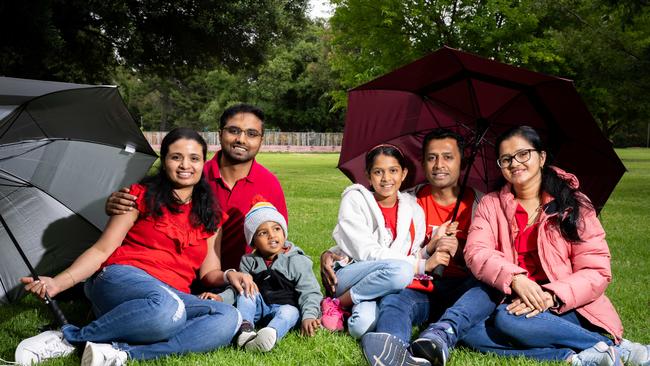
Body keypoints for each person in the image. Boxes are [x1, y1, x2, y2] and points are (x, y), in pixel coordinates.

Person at [407, 126, 650, 366]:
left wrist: (551, 295)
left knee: (508, 320)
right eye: (506, 159)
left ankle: (616, 347)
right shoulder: (491, 204)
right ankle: (574, 356)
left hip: (566, 306)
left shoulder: (574, 205)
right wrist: (515, 279)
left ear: (541, 157)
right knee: (471, 333)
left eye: (523, 154)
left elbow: (596, 271)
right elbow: (477, 252)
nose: (515, 163)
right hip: (512, 296)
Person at [14, 128, 250, 366]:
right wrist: (58, 283)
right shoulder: (138, 196)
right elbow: (101, 250)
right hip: (122, 278)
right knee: (168, 310)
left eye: (194, 158)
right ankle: (69, 337)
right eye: (176, 157)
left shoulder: (211, 215)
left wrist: (230, 275)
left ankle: (120, 353)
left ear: (203, 163)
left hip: (173, 296)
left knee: (228, 317)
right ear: (165, 160)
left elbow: (209, 273)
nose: (184, 165)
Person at [355, 129, 484, 365]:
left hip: (465, 290)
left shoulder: (481, 204)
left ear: (462, 162)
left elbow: (492, 258)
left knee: (485, 290)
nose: (439, 165)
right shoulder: (408, 202)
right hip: (423, 285)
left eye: (448, 157)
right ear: (423, 163)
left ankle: (443, 331)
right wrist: (333, 252)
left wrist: (460, 251)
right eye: (431, 157)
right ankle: (392, 350)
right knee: (394, 300)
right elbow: (373, 237)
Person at [106, 104, 287, 271]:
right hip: (183, 273)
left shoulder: (270, 184)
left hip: (244, 277)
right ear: (220, 133)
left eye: (251, 134)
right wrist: (120, 204)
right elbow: (152, 205)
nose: (241, 139)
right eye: (234, 130)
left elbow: (278, 239)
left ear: (261, 140)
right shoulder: (190, 175)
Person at [320, 144, 454, 339]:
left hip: (383, 280)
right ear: (368, 175)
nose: (386, 179)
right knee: (401, 272)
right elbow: (367, 253)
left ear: (404, 173)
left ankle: (348, 306)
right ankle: (337, 302)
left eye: (393, 171)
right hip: (351, 274)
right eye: (378, 172)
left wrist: (430, 248)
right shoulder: (355, 200)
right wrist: (423, 265)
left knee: (361, 326)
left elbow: (408, 256)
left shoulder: (412, 208)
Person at [200, 198, 322, 352]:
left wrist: (309, 316)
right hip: (259, 307)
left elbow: (310, 292)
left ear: (284, 232)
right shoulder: (249, 261)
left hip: (284, 306)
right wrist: (221, 298)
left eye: (276, 229)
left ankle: (270, 333)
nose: (272, 235)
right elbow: (237, 287)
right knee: (245, 293)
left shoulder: (297, 260)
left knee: (291, 312)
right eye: (263, 233)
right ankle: (245, 329)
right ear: (253, 242)